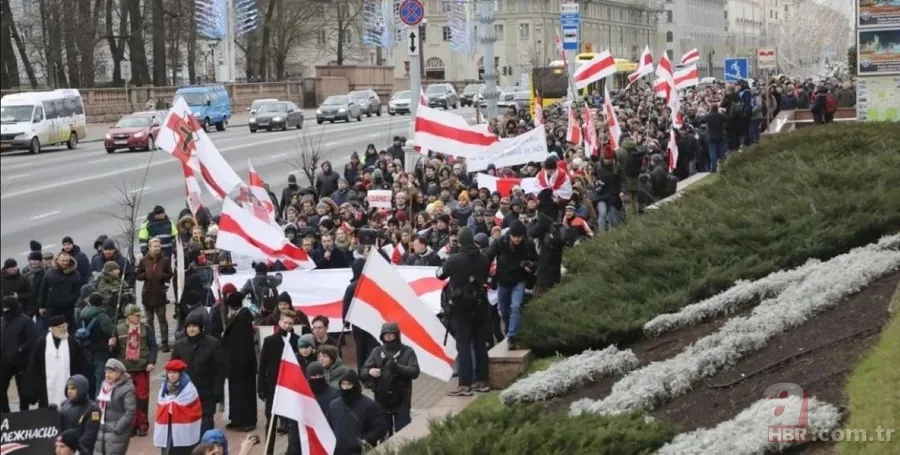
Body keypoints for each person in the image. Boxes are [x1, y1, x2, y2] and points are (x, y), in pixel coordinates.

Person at [436, 227, 492, 396]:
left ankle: (465, 384)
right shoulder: (483, 257)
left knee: (464, 345)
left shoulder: (454, 259)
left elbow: (439, 275)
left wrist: (448, 258)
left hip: (461, 307)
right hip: (481, 304)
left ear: (459, 241)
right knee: (480, 344)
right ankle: (482, 380)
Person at [483, 221, 536, 350]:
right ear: (510, 235)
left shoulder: (528, 244)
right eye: (514, 236)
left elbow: (535, 260)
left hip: (519, 279)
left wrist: (531, 266)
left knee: (515, 306)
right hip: (503, 280)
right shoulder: (501, 242)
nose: (516, 239)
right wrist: (484, 272)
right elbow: (489, 255)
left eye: (519, 236)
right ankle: (510, 328)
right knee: (503, 309)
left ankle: (512, 336)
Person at [360, 322, 420, 435]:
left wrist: (397, 367)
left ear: (396, 334)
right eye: (385, 334)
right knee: (384, 435)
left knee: (404, 434)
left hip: (402, 399)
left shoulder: (407, 351)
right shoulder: (376, 352)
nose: (388, 336)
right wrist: (369, 372)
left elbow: (415, 372)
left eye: (391, 334)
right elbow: (362, 372)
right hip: (381, 400)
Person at [171, 311, 226, 434]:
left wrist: (217, 390)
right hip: (185, 393)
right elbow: (172, 367)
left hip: (206, 392)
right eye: (189, 326)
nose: (191, 329)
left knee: (205, 426)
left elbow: (220, 369)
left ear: (201, 327)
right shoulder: (179, 345)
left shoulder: (213, 344)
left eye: (194, 326)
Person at [109, 304, 157, 436]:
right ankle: (130, 425)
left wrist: (151, 362)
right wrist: (112, 345)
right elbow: (114, 352)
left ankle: (142, 424)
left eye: (139, 315)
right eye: (135, 315)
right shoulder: (118, 329)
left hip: (142, 367)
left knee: (142, 398)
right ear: (128, 316)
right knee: (128, 399)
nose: (138, 317)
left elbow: (153, 346)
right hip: (126, 370)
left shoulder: (146, 328)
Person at [257, 310, 300, 454]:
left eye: (290, 323)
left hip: (292, 387)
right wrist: (261, 386)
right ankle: (268, 451)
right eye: (285, 322)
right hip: (273, 386)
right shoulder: (269, 341)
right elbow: (262, 366)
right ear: (279, 322)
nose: (287, 326)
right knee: (271, 421)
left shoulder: (298, 340)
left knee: (293, 423)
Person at [24, 315, 87, 408]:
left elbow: (79, 365)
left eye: (65, 327)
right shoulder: (42, 343)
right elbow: (34, 367)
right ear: (52, 329)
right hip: (46, 387)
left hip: (68, 383)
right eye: (60, 328)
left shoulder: (72, 343)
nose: (63, 330)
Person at [327, 369, 387, 455]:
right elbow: (328, 427)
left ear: (355, 385)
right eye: (343, 384)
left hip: (360, 451)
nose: (346, 387)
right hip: (338, 451)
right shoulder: (333, 405)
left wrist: (364, 440)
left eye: (349, 384)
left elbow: (380, 428)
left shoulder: (369, 405)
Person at [222, 291, 257, 431]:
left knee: (245, 394)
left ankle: (247, 421)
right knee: (235, 393)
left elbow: (244, 345)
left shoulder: (242, 319)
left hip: (242, 365)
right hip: (235, 363)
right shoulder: (239, 317)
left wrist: (242, 364)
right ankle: (236, 419)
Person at [154, 359, 203, 455]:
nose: (171, 375)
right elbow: (161, 403)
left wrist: (172, 406)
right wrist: (170, 406)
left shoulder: (189, 388)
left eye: (174, 372)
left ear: (180, 373)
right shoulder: (164, 387)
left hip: (183, 426)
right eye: (169, 372)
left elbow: (192, 405)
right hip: (168, 425)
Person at [136, 237, 173, 352]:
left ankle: (165, 343)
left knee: (162, 320)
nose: (157, 248)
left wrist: (163, 276)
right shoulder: (144, 260)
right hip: (147, 295)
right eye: (155, 246)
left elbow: (170, 274)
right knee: (149, 321)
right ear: (149, 247)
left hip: (160, 295)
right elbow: (138, 274)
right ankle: (152, 344)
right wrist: (145, 276)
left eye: (158, 246)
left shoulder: (165, 260)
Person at [1, 295, 37, 412]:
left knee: (23, 391)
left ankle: (24, 414)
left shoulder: (26, 321)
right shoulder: (2, 321)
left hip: (22, 362)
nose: (5, 310)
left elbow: (32, 339)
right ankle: (6, 413)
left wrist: (20, 349)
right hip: (4, 361)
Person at [342, 258, 379, 370]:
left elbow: (346, 305)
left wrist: (346, 321)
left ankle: (362, 371)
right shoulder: (373, 285)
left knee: (360, 348)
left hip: (358, 324)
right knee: (372, 347)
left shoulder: (352, 287)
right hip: (372, 322)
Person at [93, 359, 136, 455]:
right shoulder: (104, 385)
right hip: (101, 429)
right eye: (106, 372)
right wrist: (95, 422)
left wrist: (118, 428)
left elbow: (130, 411)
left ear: (119, 372)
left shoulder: (127, 388)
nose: (107, 375)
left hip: (117, 432)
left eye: (111, 372)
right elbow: (97, 406)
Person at [77, 293, 115, 397]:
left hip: (86, 351)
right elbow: (109, 331)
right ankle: (99, 406)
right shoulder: (102, 316)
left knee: (90, 380)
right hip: (100, 351)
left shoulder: (81, 314)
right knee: (101, 381)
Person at [39, 252, 83, 335]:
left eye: (67, 261)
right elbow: (43, 290)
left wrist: (70, 299)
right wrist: (42, 306)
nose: (65, 263)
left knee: (69, 331)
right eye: (63, 261)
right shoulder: (50, 272)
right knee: (54, 331)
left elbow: (78, 291)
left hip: (68, 308)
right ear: (57, 261)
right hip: (53, 307)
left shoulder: (75, 274)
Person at [59, 374, 101, 453]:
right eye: (68, 388)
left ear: (82, 389)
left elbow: (89, 436)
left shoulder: (93, 409)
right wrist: (52, 413)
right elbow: (58, 427)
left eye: (73, 388)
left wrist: (72, 449)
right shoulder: (64, 404)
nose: (69, 391)